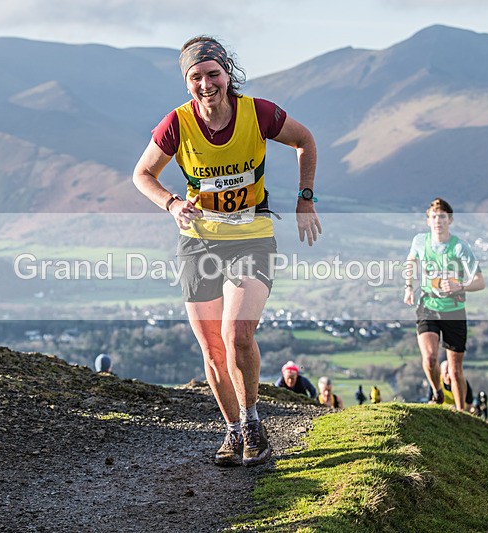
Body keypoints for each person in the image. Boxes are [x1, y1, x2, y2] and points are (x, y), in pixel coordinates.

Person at [132, 36, 321, 468]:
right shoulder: (177, 124)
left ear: (227, 74)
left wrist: (305, 197)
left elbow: (305, 141)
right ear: (186, 83)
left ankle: (253, 421)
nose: (205, 84)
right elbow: (142, 174)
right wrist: (171, 203)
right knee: (212, 347)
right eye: (195, 77)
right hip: (198, 241)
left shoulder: (258, 113)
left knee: (237, 334)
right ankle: (233, 430)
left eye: (212, 74)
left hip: (251, 233)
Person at [403, 198, 485, 412]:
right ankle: (437, 392)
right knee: (429, 358)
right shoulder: (420, 241)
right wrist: (408, 287)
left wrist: (460, 286)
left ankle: (461, 412)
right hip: (428, 305)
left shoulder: (458, 247)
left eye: (442, 217)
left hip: (454, 311)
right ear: (428, 221)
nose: (438, 221)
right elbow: (410, 262)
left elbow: (480, 281)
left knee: (455, 370)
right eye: (433, 217)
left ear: (450, 220)